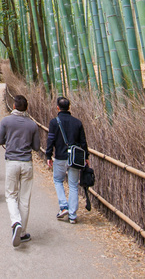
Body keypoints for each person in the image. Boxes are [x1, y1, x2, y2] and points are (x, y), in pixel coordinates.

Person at [0, 94, 41, 247]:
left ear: (14, 106)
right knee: (24, 198)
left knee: (10, 195)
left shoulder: (6, 121)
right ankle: (22, 233)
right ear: (26, 108)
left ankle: (16, 222)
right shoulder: (32, 124)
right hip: (26, 163)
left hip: (12, 162)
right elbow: (36, 147)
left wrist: (9, 140)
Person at [45, 96, 89, 224]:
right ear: (69, 107)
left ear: (58, 107)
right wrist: (86, 157)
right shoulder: (77, 122)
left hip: (60, 157)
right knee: (73, 185)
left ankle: (64, 206)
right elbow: (83, 142)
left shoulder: (54, 122)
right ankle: (73, 215)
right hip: (75, 158)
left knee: (58, 180)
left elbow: (50, 140)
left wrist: (48, 156)